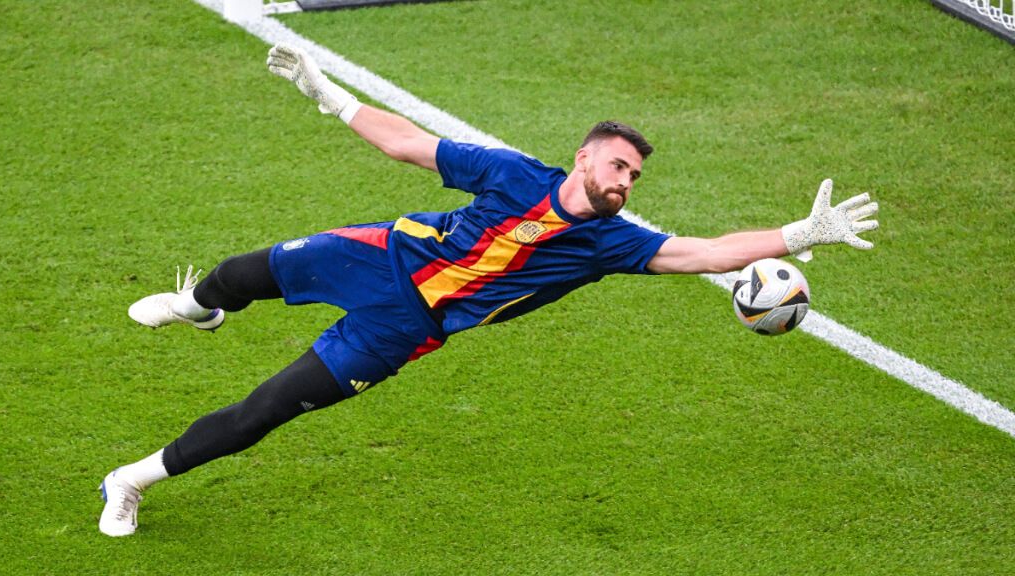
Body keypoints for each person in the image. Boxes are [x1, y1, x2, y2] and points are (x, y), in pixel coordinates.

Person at [98, 44, 879, 537]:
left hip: (401, 332)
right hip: (381, 258)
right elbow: (408, 144)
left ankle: (130, 481)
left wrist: (797, 236)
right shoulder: (510, 174)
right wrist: (326, 93)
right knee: (238, 275)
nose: (626, 182)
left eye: (635, 175)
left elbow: (708, 253)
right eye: (617, 167)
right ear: (582, 159)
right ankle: (198, 308)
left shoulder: (613, 243)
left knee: (264, 410)